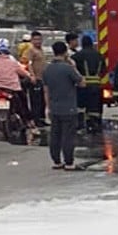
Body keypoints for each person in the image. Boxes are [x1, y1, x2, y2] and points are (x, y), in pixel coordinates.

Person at [42, 41, 84, 170]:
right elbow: (82, 83)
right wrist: (74, 66)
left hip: (54, 108)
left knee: (55, 135)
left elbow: (46, 90)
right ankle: (69, 162)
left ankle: (56, 161)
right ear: (65, 52)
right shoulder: (68, 68)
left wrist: (48, 107)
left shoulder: (47, 69)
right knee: (68, 136)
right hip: (69, 108)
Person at [0, 39, 33, 124]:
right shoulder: (13, 62)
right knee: (23, 104)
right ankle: (27, 121)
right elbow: (24, 73)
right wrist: (30, 76)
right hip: (14, 88)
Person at [72, 34, 106, 134]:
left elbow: (72, 67)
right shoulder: (99, 55)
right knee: (95, 107)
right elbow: (104, 69)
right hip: (96, 86)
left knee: (81, 107)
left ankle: (81, 125)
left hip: (83, 85)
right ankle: (95, 124)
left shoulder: (78, 55)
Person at [22, 31, 48, 126]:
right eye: (35, 39)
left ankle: (42, 118)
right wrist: (32, 76)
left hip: (42, 79)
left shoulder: (41, 50)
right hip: (35, 79)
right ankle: (36, 120)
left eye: (39, 39)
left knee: (42, 100)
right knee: (36, 101)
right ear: (32, 40)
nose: (38, 41)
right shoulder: (30, 50)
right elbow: (27, 63)